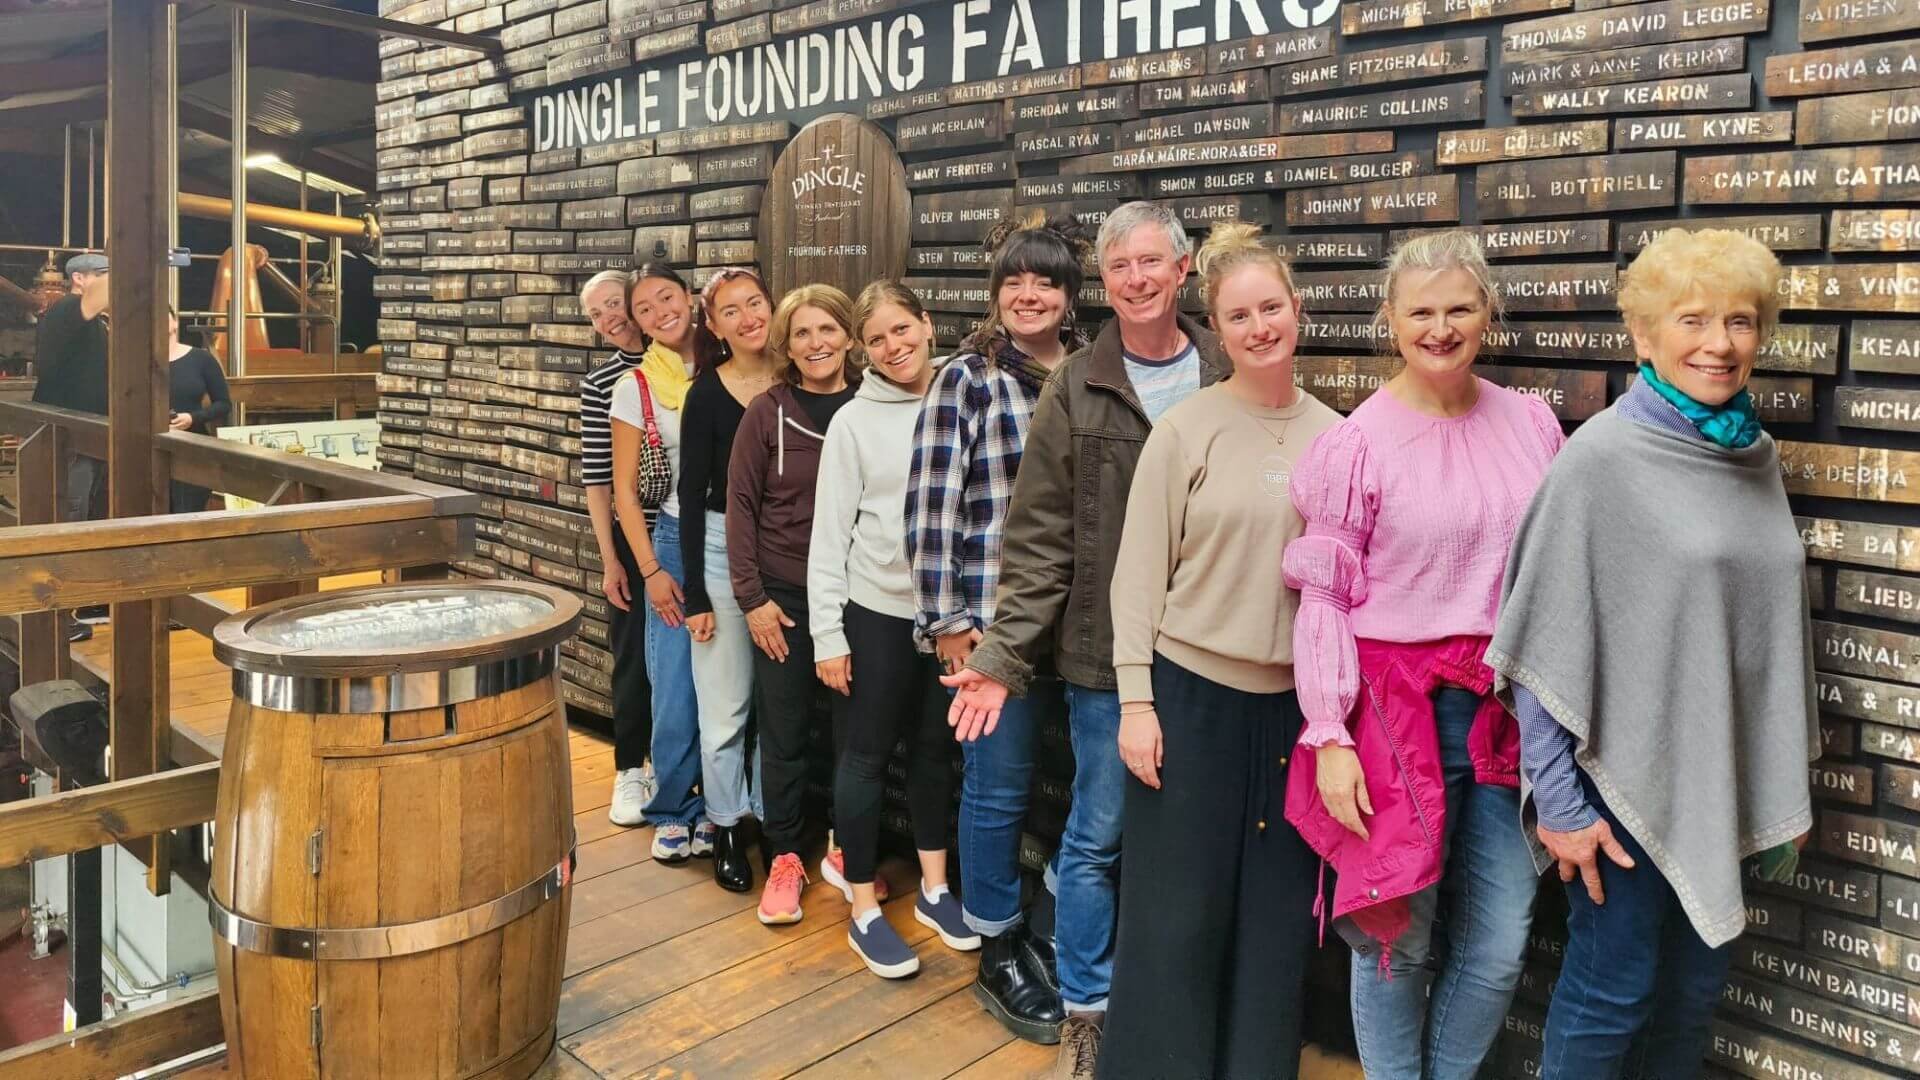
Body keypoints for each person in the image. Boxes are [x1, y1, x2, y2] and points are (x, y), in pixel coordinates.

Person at [1487, 228, 1818, 1080]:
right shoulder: (1600, 459)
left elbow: (1766, 630)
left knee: (1693, 990)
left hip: (1722, 776)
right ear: (1644, 335)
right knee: (1614, 990)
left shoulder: (1754, 455)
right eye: (1694, 319)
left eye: (1741, 321)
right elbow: (1537, 643)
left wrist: (1781, 779)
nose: (1720, 343)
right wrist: (1558, 804)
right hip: (1616, 790)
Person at [944, 201, 1227, 1078]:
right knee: (1098, 837)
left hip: (1212, 655)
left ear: (1183, 272)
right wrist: (999, 655)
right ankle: (1087, 1014)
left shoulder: (1226, 366)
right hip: (1108, 662)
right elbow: (1038, 539)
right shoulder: (1077, 384)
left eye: (1153, 262)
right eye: (1119, 268)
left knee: (1187, 837)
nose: (1137, 280)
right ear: (1102, 285)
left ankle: (1175, 1001)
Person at [1281, 230, 1564, 1080]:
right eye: (1421, 313)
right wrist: (1328, 734)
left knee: (1502, 936)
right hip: (1393, 713)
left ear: (1487, 314)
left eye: (1459, 309)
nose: (1440, 328)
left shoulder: (1532, 425)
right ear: (1391, 321)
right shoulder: (1356, 443)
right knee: (1396, 935)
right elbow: (1324, 593)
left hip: (1505, 708)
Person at [1102, 222, 1337, 1080]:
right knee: (1179, 917)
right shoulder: (1187, 430)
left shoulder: (1338, 437)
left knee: (1276, 921)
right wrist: (1136, 702)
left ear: (1297, 311)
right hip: (1190, 698)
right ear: (1219, 327)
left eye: (1271, 307)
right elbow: (1137, 577)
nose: (1259, 326)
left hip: (1297, 714)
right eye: (1239, 315)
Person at [905, 213, 1091, 1047]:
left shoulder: (1090, 374)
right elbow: (932, 506)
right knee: (998, 784)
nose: (1028, 294)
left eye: (1045, 281)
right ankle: (997, 943)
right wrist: (946, 622)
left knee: (1085, 789)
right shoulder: (969, 379)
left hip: (1080, 626)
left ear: (1068, 295)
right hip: (989, 623)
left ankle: (1050, 921)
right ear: (996, 293)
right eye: (1014, 280)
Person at [808, 280, 976, 978]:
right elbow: (829, 533)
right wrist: (828, 635)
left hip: (951, 617)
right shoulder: (853, 422)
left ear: (927, 323)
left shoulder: (966, 397)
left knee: (938, 752)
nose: (893, 347)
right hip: (874, 612)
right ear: (861, 349)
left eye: (902, 330)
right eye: (876, 339)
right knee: (866, 758)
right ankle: (863, 911)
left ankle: (936, 891)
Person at [728, 284, 861, 926]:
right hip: (782, 599)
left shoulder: (873, 404)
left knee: (851, 736)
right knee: (783, 735)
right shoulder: (767, 413)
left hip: (858, 600)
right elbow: (741, 509)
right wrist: (751, 600)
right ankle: (785, 856)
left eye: (828, 330)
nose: (817, 344)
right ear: (787, 344)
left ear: (849, 335)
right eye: (803, 333)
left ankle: (844, 850)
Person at [680, 267, 777, 893]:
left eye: (755, 303)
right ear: (713, 326)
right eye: (730, 311)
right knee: (725, 708)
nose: (747, 318)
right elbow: (690, 495)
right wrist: (695, 592)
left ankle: (770, 817)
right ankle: (727, 826)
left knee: (779, 706)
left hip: (789, 548)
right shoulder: (707, 394)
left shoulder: (798, 376)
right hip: (719, 548)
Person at [609, 264, 711, 862]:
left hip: (734, 538)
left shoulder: (728, 363)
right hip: (672, 539)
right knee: (673, 683)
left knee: (728, 685)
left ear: (690, 298)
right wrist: (649, 568)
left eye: (666, 297)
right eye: (643, 308)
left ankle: (722, 804)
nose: (658, 313)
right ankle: (672, 804)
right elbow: (624, 491)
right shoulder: (637, 385)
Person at [579, 270, 657, 827]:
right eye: (595, 314)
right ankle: (631, 768)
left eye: (613, 304)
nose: (608, 319)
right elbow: (597, 479)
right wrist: (610, 559)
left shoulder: (686, 360)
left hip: (687, 532)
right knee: (631, 656)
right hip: (633, 541)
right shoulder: (600, 383)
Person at [33, 252, 110, 641]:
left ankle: (81, 604)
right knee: (69, 522)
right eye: (104, 274)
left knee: (87, 520)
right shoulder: (65, 310)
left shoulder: (96, 324)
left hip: (92, 437)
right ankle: (55, 617)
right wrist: (145, 258)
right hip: (70, 439)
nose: (112, 280)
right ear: (79, 279)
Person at [165, 307, 231, 514]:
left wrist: (193, 418)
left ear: (175, 322)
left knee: (187, 513)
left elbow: (223, 403)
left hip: (192, 448)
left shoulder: (201, 359)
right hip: (148, 449)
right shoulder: (137, 361)